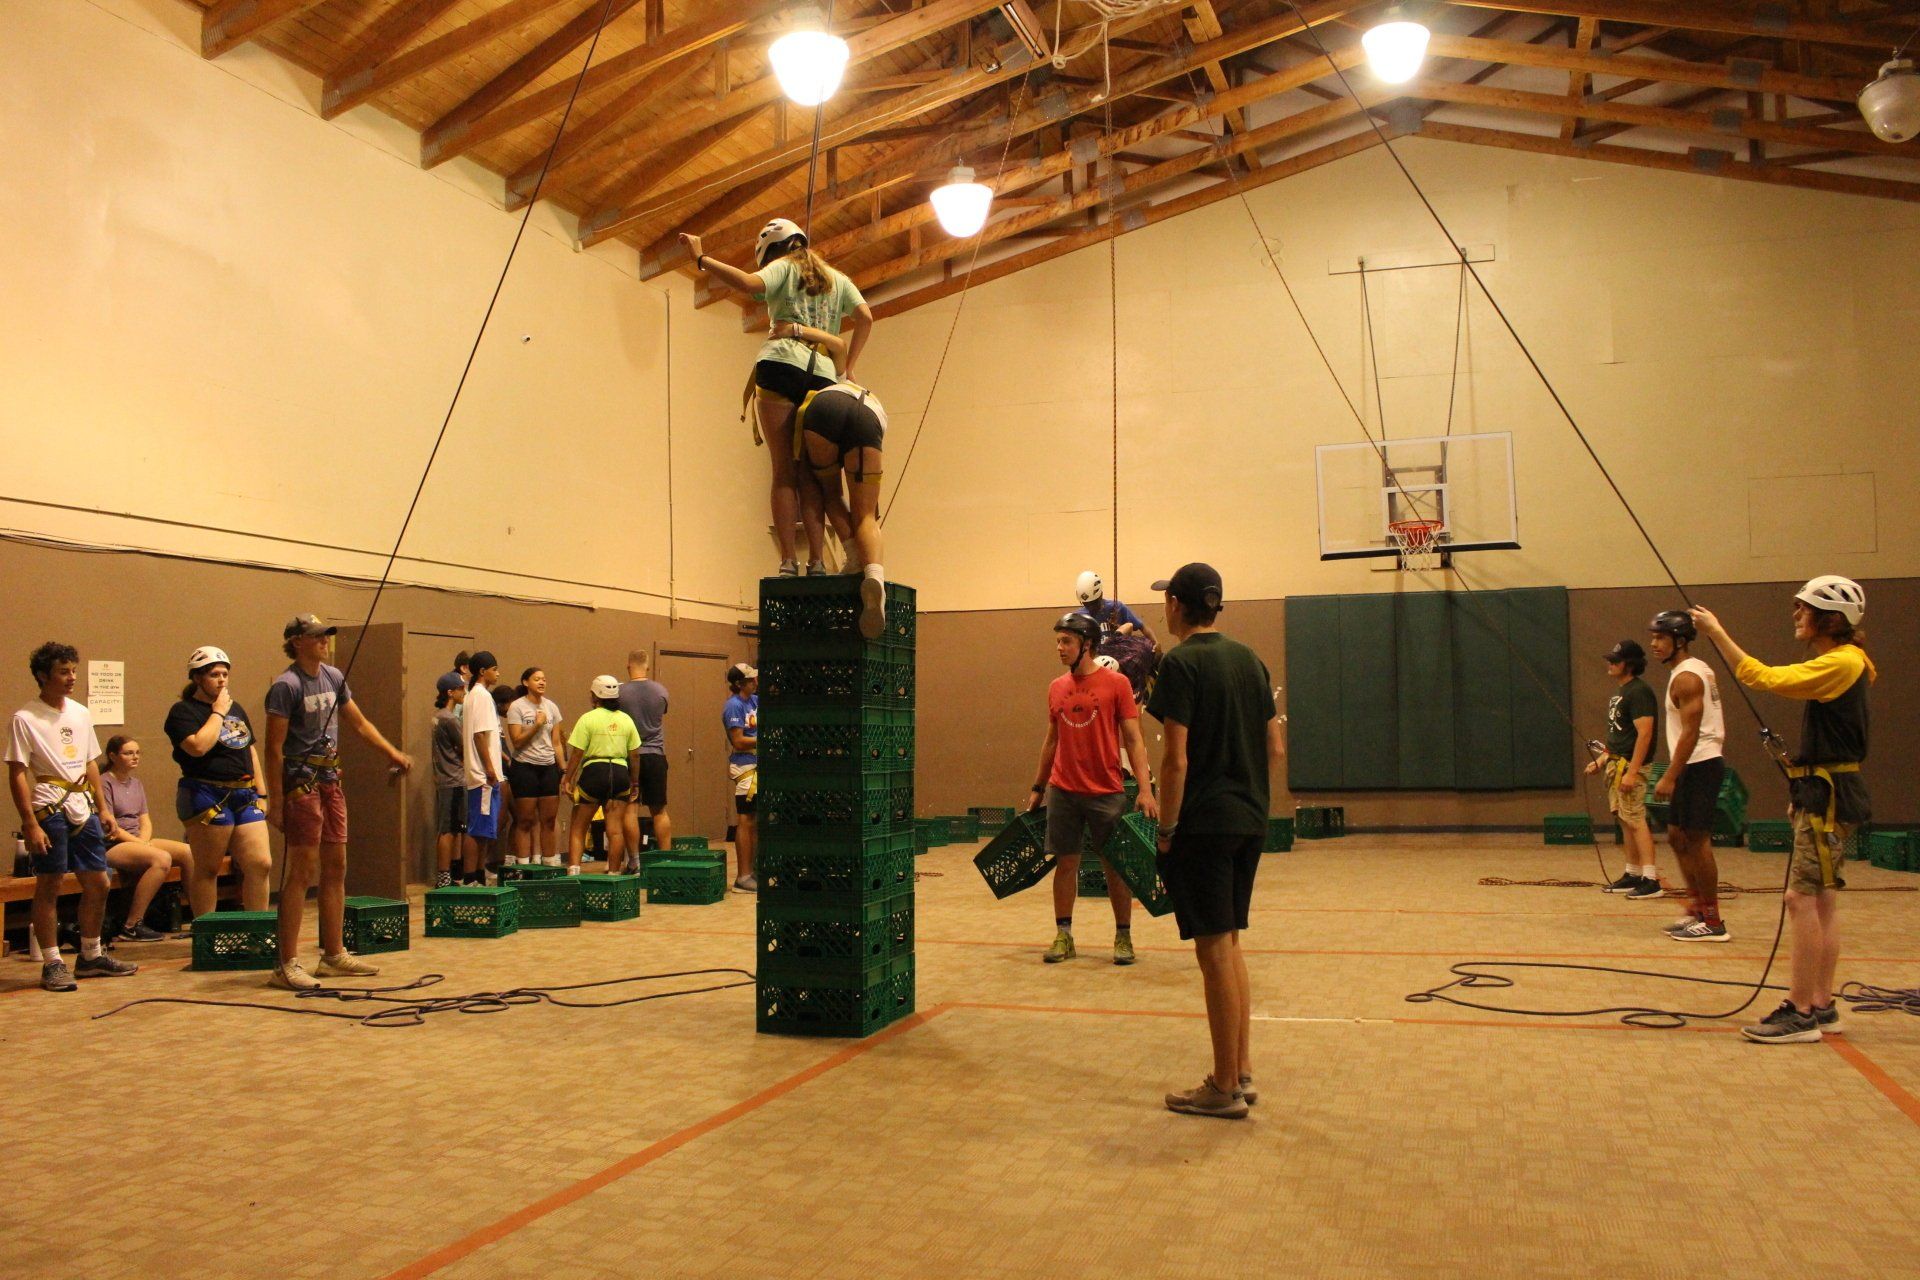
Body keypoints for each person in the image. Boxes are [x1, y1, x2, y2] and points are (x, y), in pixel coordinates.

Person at [1691, 577, 1873, 1043]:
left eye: (1804, 609)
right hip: (1825, 790)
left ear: (1830, 619)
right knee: (1822, 898)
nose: (1796, 615)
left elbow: (1763, 677)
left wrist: (1716, 632)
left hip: (1829, 797)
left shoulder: (1842, 662)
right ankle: (1822, 1004)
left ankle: (1801, 1010)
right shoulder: (1846, 662)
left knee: (1801, 899)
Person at [1145, 564, 1281, 1120]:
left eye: (1166, 601)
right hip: (1249, 819)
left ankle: (1223, 1086)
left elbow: (1175, 761)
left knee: (1212, 951)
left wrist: (1166, 830)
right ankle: (1241, 1071)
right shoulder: (1250, 659)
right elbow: (1274, 748)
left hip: (1204, 824)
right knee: (1230, 944)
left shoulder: (1181, 664)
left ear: (1177, 605)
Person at [680, 218, 874, 577]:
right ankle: (817, 561)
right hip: (823, 376)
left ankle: (788, 560)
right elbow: (865, 317)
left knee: (784, 470)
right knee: (812, 473)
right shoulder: (838, 279)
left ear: (773, 251)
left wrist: (701, 258)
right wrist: (849, 368)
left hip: (781, 365)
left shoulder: (783, 266)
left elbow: (747, 283)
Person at [263, 614, 412, 991]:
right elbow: (273, 749)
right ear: (296, 642)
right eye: (315, 637)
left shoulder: (333, 677)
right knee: (302, 870)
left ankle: (333, 954)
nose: (324, 641)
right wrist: (276, 802)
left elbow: (360, 724)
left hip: (331, 781)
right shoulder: (286, 686)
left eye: (325, 636)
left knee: (337, 865)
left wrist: (391, 752)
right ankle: (286, 963)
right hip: (301, 784)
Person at [1024, 613, 1158, 966]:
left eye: (1066, 641)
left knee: (1113, 866)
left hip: (1106, 790)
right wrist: (1038, 786)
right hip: (1063, 790)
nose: (1059, 648)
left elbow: (1134, 739)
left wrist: (1145, 789)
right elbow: (1051, 740)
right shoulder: (1056, 687)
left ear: (1086, 645)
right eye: (1058, 641)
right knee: (1065, 863)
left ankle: (1123, 936)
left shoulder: (1117, 684)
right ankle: (1064, 936)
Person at [7, 642, 139, 991]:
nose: (72, 678)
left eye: (73, 671)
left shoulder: (80, 713)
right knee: (50, 884)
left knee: (99, 882)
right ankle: (52, 962)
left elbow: (90, 762)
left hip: (84, 806)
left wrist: (103, 808)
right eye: (63, 672)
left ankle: (91, 955)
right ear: (42, 676)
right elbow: (17, 772)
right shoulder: (25, 718)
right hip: (49, 807)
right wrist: (30, 823)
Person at [781, 323, 890, 637]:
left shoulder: (825, 383)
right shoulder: (856, 384)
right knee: (866, 515)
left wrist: (794, 329)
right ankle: (874, 576)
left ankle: (854, 557)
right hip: (868, 414)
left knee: (830, 492)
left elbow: (839, 344)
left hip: (823, 410)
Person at [164, 645, 274, 919]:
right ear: (197, 678)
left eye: (225, 674)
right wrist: (218, 713)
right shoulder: (183, 712)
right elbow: (198, 746)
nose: (222, 680)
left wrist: (262, 793)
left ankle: (256, 929)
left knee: (260, 863)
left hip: (244, 794)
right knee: (209, 868)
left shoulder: (236, 708)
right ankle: (207, 930)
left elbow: (249, 750)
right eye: (214, 675)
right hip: (206, 793)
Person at [1646, 609, 1729, 943]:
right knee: (1677, 837)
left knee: (1696, 840)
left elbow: (1692, 732)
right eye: (1653, 637)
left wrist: (1670, 776)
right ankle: (1697, 910)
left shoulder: (1688, 677)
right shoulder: (1689, 670)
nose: (1654, 644)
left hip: (1699, 764)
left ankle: (1713, 920)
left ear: (1680, 641)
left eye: (1661, 638)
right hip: (1690, 764)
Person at [98, 735, 194, 942]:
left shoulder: (136, 783)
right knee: (161, 858)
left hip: (138, 839)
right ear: (113, 756)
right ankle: (132, 925)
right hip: (113, 843)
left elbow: (144, 819)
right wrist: (141, 844)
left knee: (188, 852)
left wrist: (144, 840)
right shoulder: (104, 782)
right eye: (128, 753)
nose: (135, 757)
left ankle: (200, 917)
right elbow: (111, 827)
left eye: (137, 753)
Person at [1588, 639, 1661, 899]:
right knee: (1625, 819)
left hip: (1631, 766)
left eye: (1615, 660)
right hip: (1617, 764)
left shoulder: (1639, 692)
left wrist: (1632, 772)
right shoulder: (1620, 693)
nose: (1610, 664)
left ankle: (1651, 878)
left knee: (1636, 819)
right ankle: (1633, 872)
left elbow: (1645, 733)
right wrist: (1602, 760)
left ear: (1629, 664)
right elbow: (1619, 735)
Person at [563, 676, 640, 874]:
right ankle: (613, 873)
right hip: (620, 775)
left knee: (579, 826)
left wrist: (567, 778)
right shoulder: (626, 720)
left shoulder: (588, 719)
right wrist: (635, 782)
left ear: (595, 696)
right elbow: (634, 755)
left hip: (594, 773)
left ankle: (574, 871)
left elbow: (577, 753)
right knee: (615, 830)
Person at [504, 667, 564, 867]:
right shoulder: (517, 707)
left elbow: (556, 743)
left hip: (548, 767)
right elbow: (517, 741)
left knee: (549, 820)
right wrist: (537, 725)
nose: (542, 682)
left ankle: (549, 863)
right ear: (526, 682)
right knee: (525, 820)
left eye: (544, 679)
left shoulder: (552, 707)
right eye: (537, 679)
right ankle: (523, 865)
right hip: (525, 768)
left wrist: (563, 769)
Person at [617, 650, 673, 857]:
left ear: (628, 666)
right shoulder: (661, 691)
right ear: (647, 667)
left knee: (630, 808)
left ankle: (634, 861)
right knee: (659, 810)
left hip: (629, 756)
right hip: (655, 756)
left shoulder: (620, 693)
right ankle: (666, 860)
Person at [462, 652, 507, 878]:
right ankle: (470, 876)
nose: (498, 673)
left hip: (485, 775)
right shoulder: (480, 696)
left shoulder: (476, 695)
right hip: (482, 776)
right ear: (482, 671)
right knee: (477, 829)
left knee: (485, 830)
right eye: (494, 669)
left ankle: (479, 874)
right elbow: (479, 735)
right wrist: (489, 768)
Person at [430, 672, 472, 887]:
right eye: (461, 689)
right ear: (450, 692)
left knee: (455, 828)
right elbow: (464, 746)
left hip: (445, 778)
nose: (464, 693)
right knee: (448, 830)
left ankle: (452, 874)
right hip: (454, 779)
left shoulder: (437, 717)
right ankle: (444, 877)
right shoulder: (449, 719)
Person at [722, 663, 759, 892]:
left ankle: (753, 871)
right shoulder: (733, 706)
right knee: (746, 819)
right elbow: (738, 741)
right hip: (745, 767)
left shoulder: (755, 702)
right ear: (739, 683)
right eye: (751, 679)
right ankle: (743, 876)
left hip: (758, 764)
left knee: (756, 820)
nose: (755, 682)